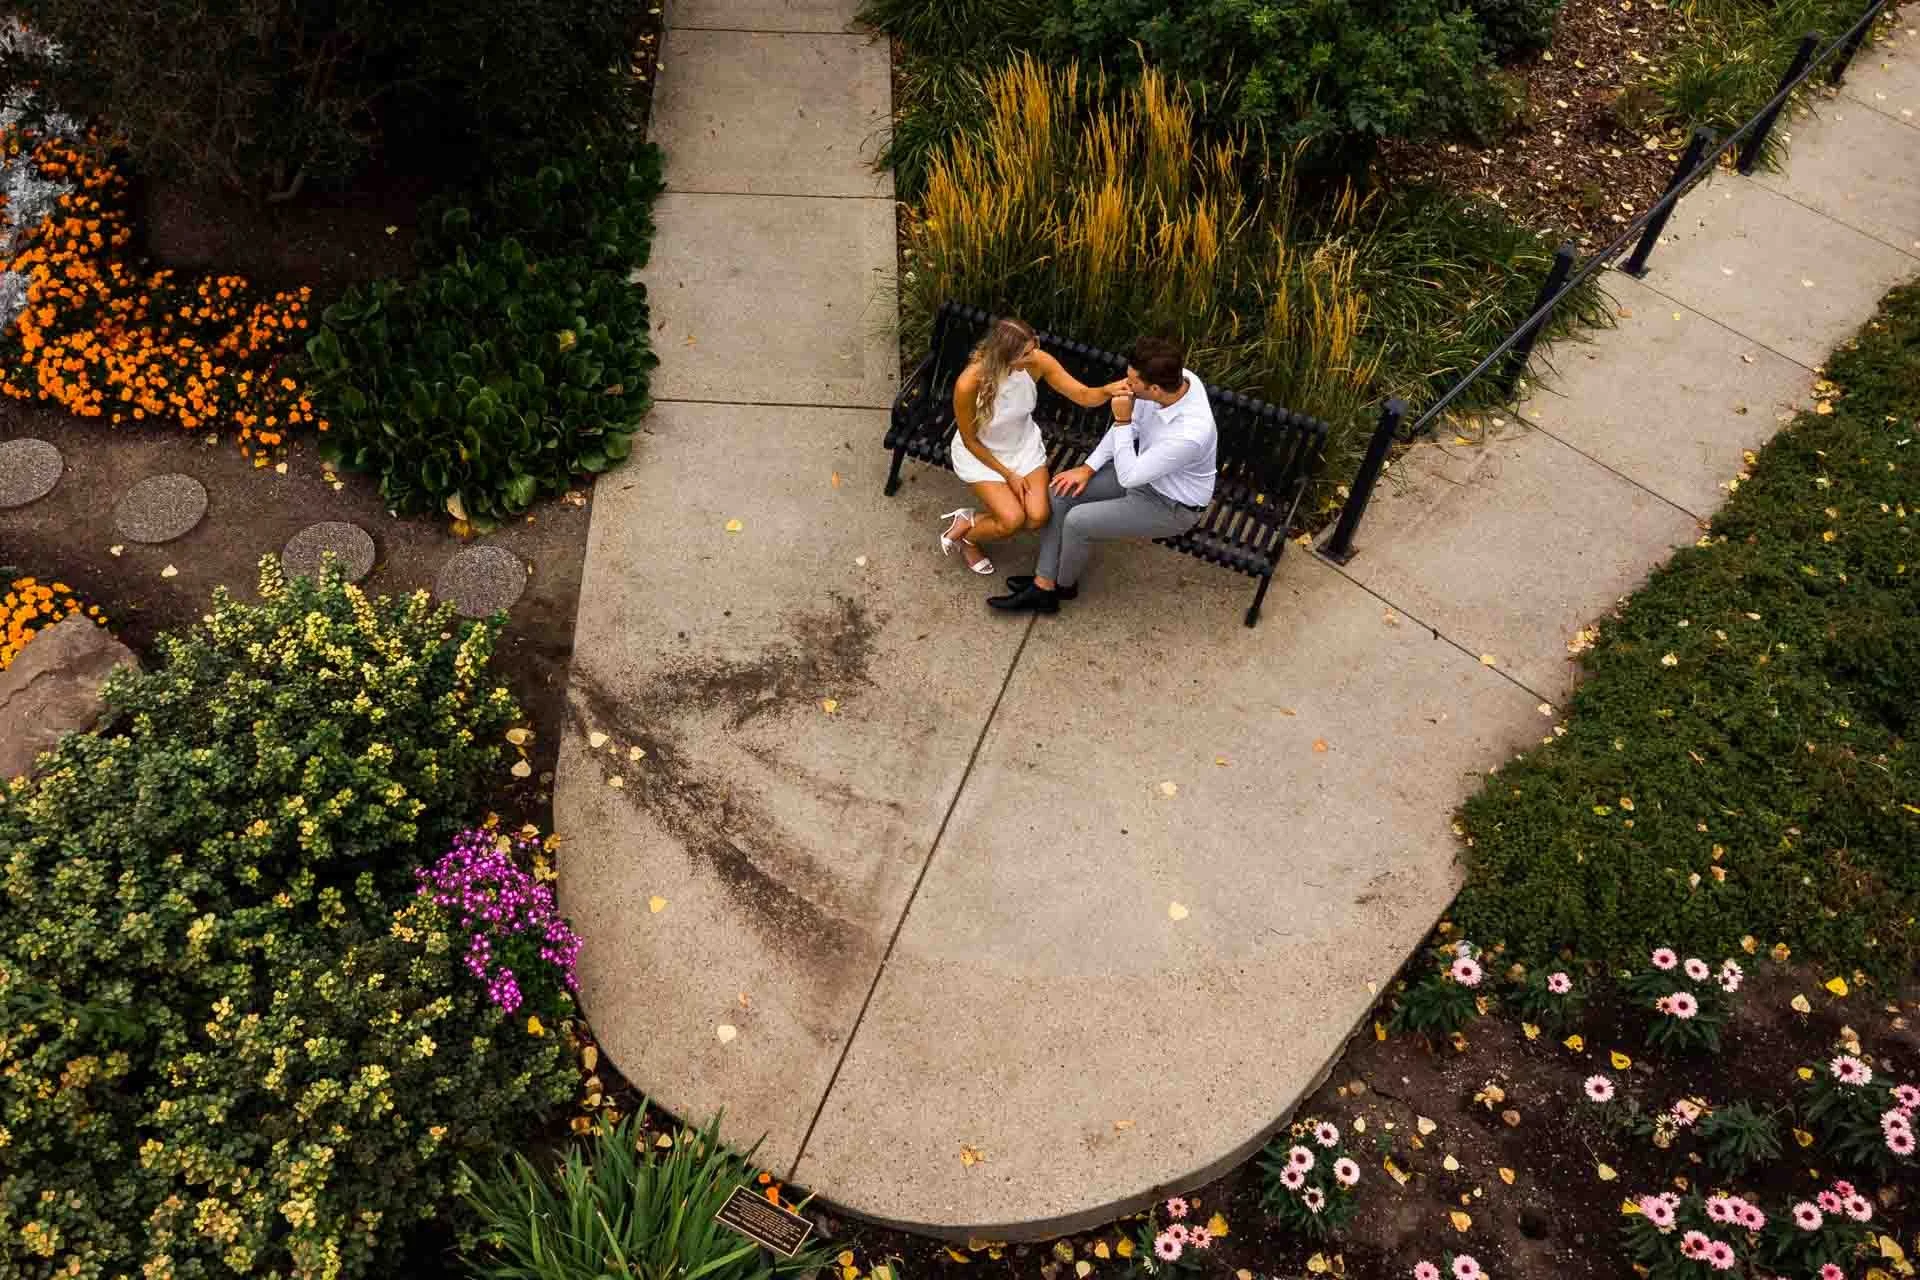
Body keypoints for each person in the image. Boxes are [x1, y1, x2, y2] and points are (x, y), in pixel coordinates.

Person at [988, 335, 1216, 614]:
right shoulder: (1176, 379)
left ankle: (1063, 587)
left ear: (1155, 389)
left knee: (1078, 522)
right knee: (1060, 491)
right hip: (1144, 472)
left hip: (1170, 505)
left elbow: (1129, 471)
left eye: (1132, 382)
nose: (1125, 385)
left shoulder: (1190, 435)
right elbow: (1132, 429)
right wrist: (1087, 468)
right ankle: (1043, 584)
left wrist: (1122, 419)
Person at [938, 317, 1128, 574]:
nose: (1033, 356)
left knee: (1037, 516)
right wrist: (1009, 476)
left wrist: (1107, 391)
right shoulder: (969, 384)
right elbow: (970, 441)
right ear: (1004, 356)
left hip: (1022, 448)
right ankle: (968, 539)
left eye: (1033, 347)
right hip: (982, 454)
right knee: (1012, 520)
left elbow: (1083, 395)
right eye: (1025, 354)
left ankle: (968, 522)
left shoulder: (1037, 362)